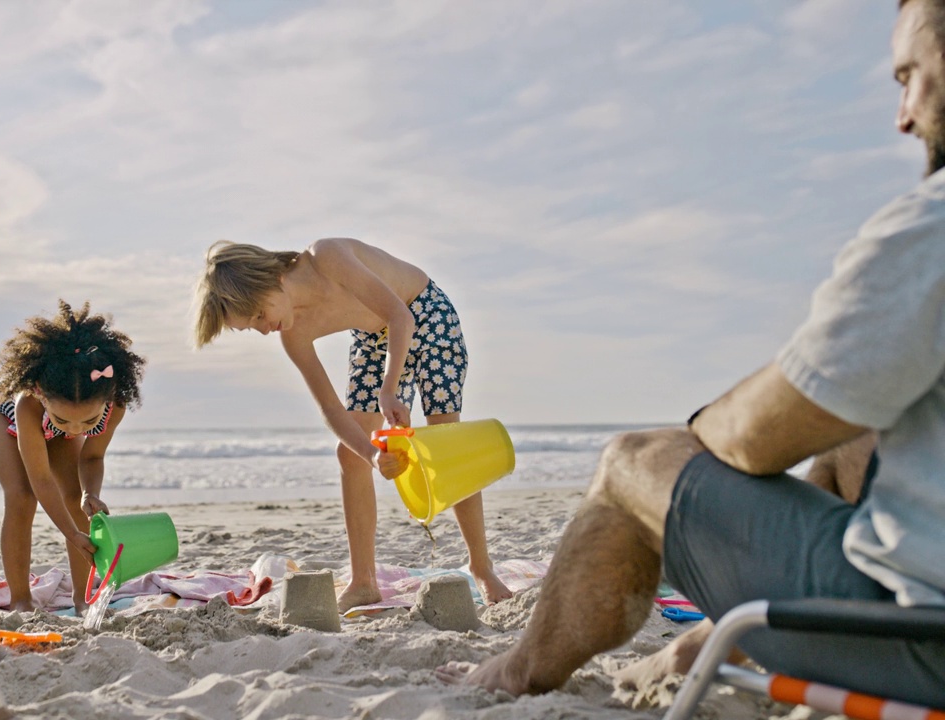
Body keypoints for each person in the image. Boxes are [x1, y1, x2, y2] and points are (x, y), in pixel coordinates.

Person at [437, 0, 945, 707]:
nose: (902, 114)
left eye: (910, 76)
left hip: (920, 645)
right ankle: (710, 637)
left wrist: (704, 432)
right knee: (856, 431)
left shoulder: (928, 230)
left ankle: (520, 672)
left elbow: (755, 440)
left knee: (634, 463)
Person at [195, 238, 512, 612]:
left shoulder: (326, 257)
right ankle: (364, 581)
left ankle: (481, 565)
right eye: (252, 327)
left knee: (446, 441)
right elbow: (331, 409)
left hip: (425, 313)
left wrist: (389, 389)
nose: (264, 330)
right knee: (350, 456)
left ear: (268, 281)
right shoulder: (293, 334)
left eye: (259, 315)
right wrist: (372, 454)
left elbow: (400, 317)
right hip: (374, 339)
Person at [0, 300, 145, 613]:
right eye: (66, 421)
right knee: (21, 499)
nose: (76, 429)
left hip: (51, 427)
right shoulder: (28, 405)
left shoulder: (115, 406)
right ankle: (20, 599)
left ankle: (82, 598)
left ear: (108, 398)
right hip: (8, 418)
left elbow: (92, 458)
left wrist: (91, 492)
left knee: (75, 500)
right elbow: (41, 479)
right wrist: (71, 534)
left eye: (88, 422)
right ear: (41, 394)